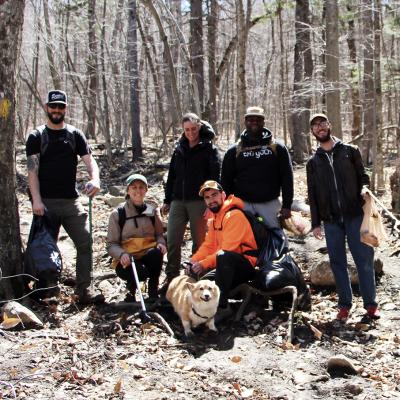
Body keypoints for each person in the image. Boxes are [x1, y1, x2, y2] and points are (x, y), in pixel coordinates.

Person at [26, 90, 104, 304]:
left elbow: (90, 161)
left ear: (65, 108)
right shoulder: (36, 136)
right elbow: (32, 172)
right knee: (44, 248)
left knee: (85, 242)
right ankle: (47, 289)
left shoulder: (74, 135)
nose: (57, 110)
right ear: (47, 107)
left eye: (61, 106)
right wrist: (37, 200)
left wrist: (95, 179)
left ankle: (83, 290)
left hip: (71, 202)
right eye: (53, 106)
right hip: (46, 204)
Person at [306, 113, 379, 321]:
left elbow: (363, 176)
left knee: (364, 260)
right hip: (331, 220)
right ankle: (345, 305)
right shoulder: (313, 162)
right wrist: (315, 223)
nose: (320, 128)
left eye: (322, 123)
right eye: (315, 126)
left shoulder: (349, 151)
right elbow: (312, 194)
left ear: (329, 125)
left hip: (355, 215)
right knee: (337, 262)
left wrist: (364, 188)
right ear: (312, 132)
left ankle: (370, 305)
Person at [161, 113, 221, 289]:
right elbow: (172, 175)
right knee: (173, 239)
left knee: (200, 242)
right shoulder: (179, 148)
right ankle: (171, 277)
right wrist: (167, 199)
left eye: (194, 129)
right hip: (178, 200)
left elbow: (215, 178)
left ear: (199, 127)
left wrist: (211, 204)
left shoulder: (209, 149)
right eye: (187, 130)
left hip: (199, 201)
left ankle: (197, 275)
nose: (191, 133)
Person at [189, 180, 258, 316]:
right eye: (207, 198)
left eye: (214, 195)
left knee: (223, 256)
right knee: (202, 281)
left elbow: (228, 250)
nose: (211, 200)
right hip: (225, 266)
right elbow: (209, 246)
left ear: (223, 195)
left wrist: (203, 264)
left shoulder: (234, 216)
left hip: (245, 265)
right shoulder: (215, 218)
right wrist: (194, 260)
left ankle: (222, 307)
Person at [221, 106, 293, 228]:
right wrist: (228, 205)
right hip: (242, 204)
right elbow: (225, 180)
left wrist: (287, 205)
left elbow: (287, 177)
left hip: (270, 203)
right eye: (250, 119)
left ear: (263, 122)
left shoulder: (277, 148)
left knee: (277, 240)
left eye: (258, 119)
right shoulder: (233, 151)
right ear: (245, 122)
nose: (254, 122)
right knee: (244, 241)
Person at [107, 174, 166, 302]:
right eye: (133, 187)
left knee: (156, 254)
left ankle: (153, 289)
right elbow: (111, 244)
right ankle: (131, 289)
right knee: (140, 272)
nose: (138, 191)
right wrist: (122, 254)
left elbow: (159, 234)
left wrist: (161, 243)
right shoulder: (118, 214)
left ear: (146, 190)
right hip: (128, 259)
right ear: (128, 190)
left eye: (141, 187)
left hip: (148, 254)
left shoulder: (152, 211)